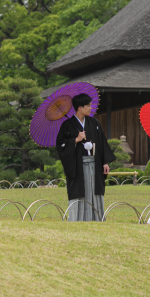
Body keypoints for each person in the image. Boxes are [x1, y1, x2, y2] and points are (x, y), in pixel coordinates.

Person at [56, 93, 115, 221]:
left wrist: (105, 162)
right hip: (78, 166)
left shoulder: (95, 123)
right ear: (79, 107)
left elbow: (102, 143)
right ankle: (78, 218)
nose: (90, 108)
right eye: (87, 106)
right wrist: (75, 140)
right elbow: (61, 145)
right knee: (79, 190)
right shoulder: (67, 125)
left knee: (95, 190)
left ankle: (96, 217)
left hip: (95, 164)